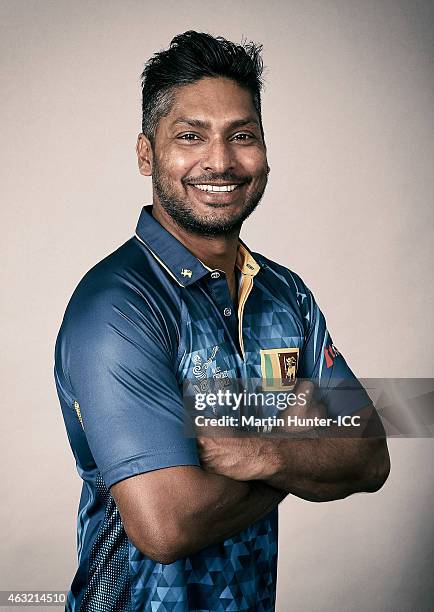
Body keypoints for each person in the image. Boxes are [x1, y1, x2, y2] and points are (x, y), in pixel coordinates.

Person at [54, 30, 390, 612]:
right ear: (145, 154)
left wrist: (263, 451)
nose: (220, 160)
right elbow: (166, 526)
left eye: (243, 136)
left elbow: (370, 456)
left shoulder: (286, 294)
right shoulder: (117, 305)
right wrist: (303, 437)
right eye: (190, 136)